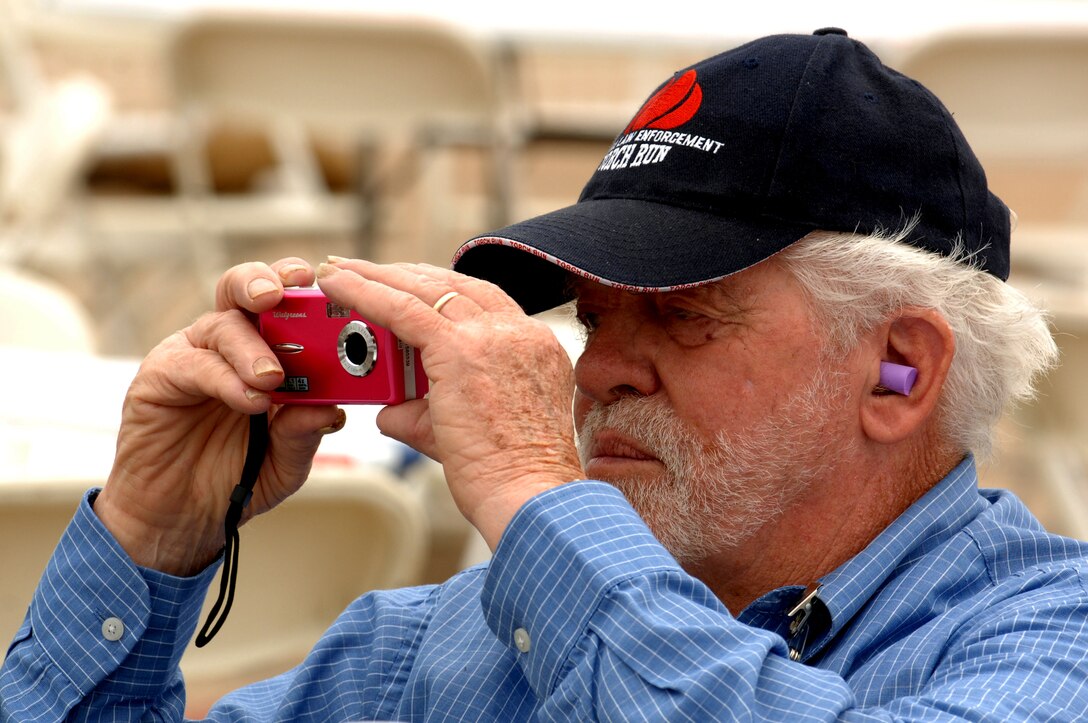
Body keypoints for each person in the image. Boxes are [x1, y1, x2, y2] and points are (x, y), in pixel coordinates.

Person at [3, 27, 1087, 721]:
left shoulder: (1053, 633)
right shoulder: (431, 643)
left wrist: (532, 493)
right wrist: (148, 545)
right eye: (592, 317)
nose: (598, 368)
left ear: (897, 371)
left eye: (680, 314)